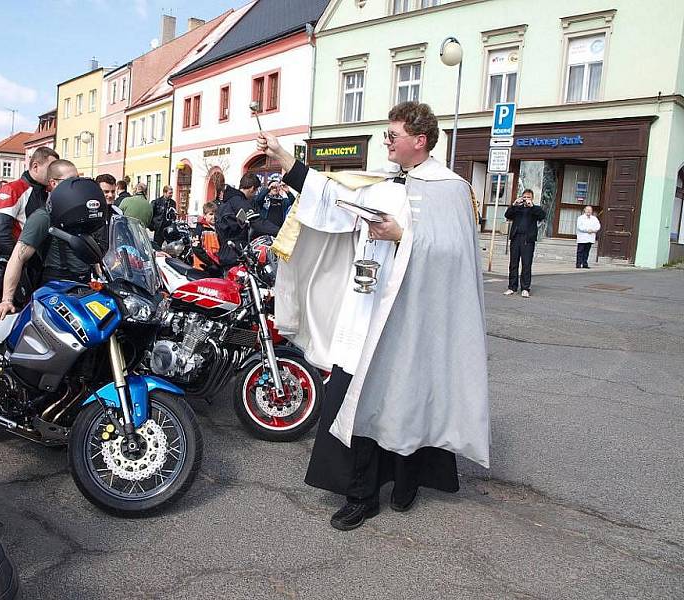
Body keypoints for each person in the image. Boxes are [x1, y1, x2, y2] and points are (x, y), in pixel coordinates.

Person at [257, 101, 489, 531]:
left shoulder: (450, 188)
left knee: (406, 400)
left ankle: (407, 481)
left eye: (392, 135)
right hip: (366, 313)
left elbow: (456, 255)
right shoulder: (380, 183)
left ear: (419, 141)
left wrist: (402, 236)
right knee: (356, 399)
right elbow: (329, 195)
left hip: (413, 318)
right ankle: (361, 495)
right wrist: (286, 159)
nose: (385, 141)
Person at [0, 176, 105, 322]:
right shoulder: (44, 216)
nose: (76, 185)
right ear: (54, 183)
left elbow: (90, 249)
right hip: (54, 288)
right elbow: (18, 257)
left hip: (83, 285)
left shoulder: (82, 215)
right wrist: (7, 299)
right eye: (69, 179)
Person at [0, 146, 59, 256]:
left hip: (43, 263)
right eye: (51, 169)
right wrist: (21, 261)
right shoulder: (13, 189)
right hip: (23, 262)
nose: (54, 174)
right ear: (35, 166)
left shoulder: (48, 192)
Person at [215, 173, 279, 266]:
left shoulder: (230, 201)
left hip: (227, 252)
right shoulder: (238, 202)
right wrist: (280, 232)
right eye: (256, 191)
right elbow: (256, 222)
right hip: (235, 254)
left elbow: (245, 223)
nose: (254, 195)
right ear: (252, 188)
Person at [504, 189, 546, 298]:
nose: (526, 199)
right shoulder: (517, 208)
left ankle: (525, 288)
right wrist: (514, 204)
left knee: (526, 264)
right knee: (513, 264)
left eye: (528, 197)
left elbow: (542, 215)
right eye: (525, 197)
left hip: (528, 240)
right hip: (516, 238)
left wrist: (531, 206)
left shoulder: (535, 209)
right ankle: (512, 287)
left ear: (532, 198)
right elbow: (507, 215)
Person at [192, 201, 220, 270]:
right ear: (204, 215)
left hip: (216, 265)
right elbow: (196, 248)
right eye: (211, 214)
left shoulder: (218, 228)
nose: (213, 217)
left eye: (215, 214)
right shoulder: (200, 229)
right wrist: (210, 263)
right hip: (202, 266)